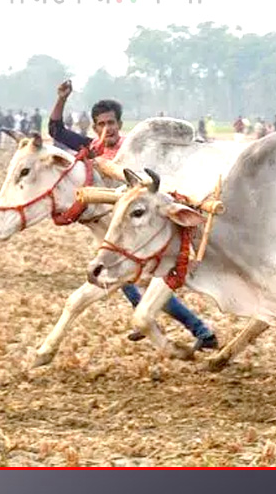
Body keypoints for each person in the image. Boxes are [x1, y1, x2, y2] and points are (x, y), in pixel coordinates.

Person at [47, 80, 219, 351]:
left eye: (111, 123)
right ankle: (167, 322)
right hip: (119, 227)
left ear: (119, 124)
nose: (107, 129)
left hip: (150, 225)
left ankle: (181, 325)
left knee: (132, 277)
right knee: (124, 276)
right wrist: (61, 99)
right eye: (101, 125)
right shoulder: (94, 149)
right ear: (94, 128)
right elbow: (55, 130)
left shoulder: (135, 148)